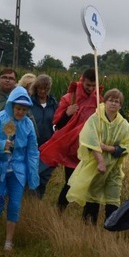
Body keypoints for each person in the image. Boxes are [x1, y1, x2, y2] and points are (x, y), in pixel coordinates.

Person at [0, 86, 39, 252]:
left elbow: (33, 150)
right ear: (11, 106)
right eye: (18, 108)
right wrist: (1, 146)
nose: (20, 112)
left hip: (18, 169)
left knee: (15, 204)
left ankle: (9, 241)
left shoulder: (28, 125)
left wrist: (32, 174)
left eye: (24, 109)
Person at [66, 88, 129, 225]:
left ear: (120, 105)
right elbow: (89, 140)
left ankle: (111, 229)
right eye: (110, 100)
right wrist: (100, 160)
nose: (113, 104)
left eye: (117, 101)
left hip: (114, 168)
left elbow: (126, 146)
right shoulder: (95, 119)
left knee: (113, 198)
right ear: (105, 101)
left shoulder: (124, 125)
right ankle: (88, 228)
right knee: (93, 196)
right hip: (96, 166)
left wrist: (108, 148)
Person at [38, 68, 101, 208]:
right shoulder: (69, 98)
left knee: (91, 183)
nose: (90, 88)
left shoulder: (98, 100)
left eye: (93, 85)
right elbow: (58, 125)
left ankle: (87, 219)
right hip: (71, 147)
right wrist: (67, 113)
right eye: (88, 85)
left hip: (90, 147)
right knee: (70, 182)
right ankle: (60, 211)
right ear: (82, 80)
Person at [30, 74, 58, 198]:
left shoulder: (53, 103)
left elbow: (58, 122)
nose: (42, 91)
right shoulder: (30, 102)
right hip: (32, 144)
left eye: (45, 89)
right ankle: (30, 200)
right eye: (40, 88)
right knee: (33, 174)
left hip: (48, 145)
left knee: (44, 176)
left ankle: (38, 200)